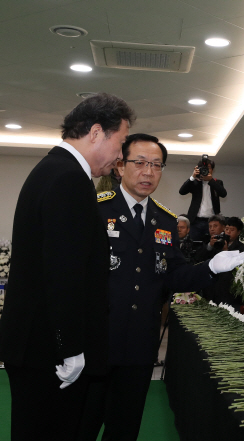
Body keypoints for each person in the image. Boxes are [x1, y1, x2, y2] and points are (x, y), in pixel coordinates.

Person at [78, 133, 244, 441]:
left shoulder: (165, 220)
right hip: (96, 344)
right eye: (139, 162)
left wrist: (209, 267)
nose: (148, 172)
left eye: (157, 165)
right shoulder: (95, 209)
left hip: (140, 346)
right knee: (81, 427)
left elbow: (173, 275)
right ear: (119, 166)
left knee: (124, 429)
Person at [0, 93, 135, 441]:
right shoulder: (69, 180)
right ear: (95, 133)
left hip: (35, 346)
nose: (121, 155)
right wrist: (69, 348)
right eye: (120, 142)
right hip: (48, 352)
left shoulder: (52, 170)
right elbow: (63, 274)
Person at [179, 157, 227, 242]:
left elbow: (223, 194)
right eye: (204, 168)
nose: (206, 170)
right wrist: (192, 177)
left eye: (208, 168)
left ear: (212, 170)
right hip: (195, 221)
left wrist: (211, 181)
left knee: (212, 244)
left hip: (212, 222)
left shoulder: (217, 182)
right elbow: (182, 191)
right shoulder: (195, 182)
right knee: (194, 244)